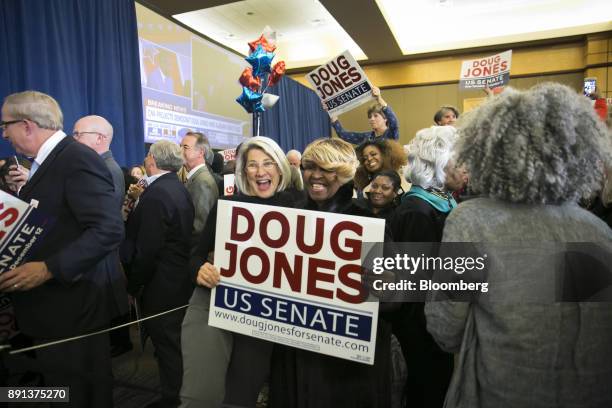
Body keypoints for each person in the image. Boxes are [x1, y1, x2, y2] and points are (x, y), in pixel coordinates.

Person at [425, 83, 612, 408]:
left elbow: (445, 327)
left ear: (490, 150)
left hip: (496, 391)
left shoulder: (471, 221)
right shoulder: (596, 229)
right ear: (577, 152)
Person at [0, 90, 126, 407]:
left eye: (6, 125)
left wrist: (48, 268)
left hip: (72, 314)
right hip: (52, 314)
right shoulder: (50, 162)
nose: (4, 134)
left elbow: (108, 229)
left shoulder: (76, 159)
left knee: (77, 396)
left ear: (27, 125)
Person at [270, 138, 393, 408]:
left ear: (346, 172)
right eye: (309, 166)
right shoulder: (288, 218)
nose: (315, 175)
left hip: (346, 367)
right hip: (297, 355)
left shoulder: (369, 224)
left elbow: (391, 300)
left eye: (326, 169)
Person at [180, 136, 295, 408]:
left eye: (268, 163)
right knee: (200, 397)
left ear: (280, 168)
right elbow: (194, 255)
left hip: (261, 316)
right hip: (213, 303)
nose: (260, 171)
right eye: (252, 165)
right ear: (243, 172)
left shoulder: (298, 209)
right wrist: (199, 269)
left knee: (240, 398)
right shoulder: (227, 206)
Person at [388, 125, 463, 408]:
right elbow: (415, 286)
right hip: (422, 329)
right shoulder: (416, 211)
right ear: (439, 162)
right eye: (460, 158)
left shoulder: (440, 200)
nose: (466, 166)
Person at [121, 140, 194, 408]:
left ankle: (174, 399)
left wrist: (133, 286)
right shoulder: (176, 187)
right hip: (175, 282)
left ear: (152, 160)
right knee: (172, 346)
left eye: (147, 155)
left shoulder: (158, 194)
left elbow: (147, 250)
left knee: (168, 348)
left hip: (161, 286)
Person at [73, 115, 125, 208]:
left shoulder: (107, 171)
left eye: (78, 134)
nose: (74, 139)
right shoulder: (97, 167)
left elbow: (104, 214)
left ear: (99, 138)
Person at [180, 131, 219, 253]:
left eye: (185, 147)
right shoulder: (195, 178)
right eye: (180, 146)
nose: (180, 151)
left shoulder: (203, 182)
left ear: (201, 152)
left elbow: (199, 229)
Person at [328, 86, 399, 144]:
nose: (372, 119)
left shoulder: (391, 134)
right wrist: (332, 112)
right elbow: (343, 135)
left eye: (376, 116)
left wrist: (378, 98)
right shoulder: (367, 136)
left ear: (385, 119)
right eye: (370, 117)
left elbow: (394, 121)